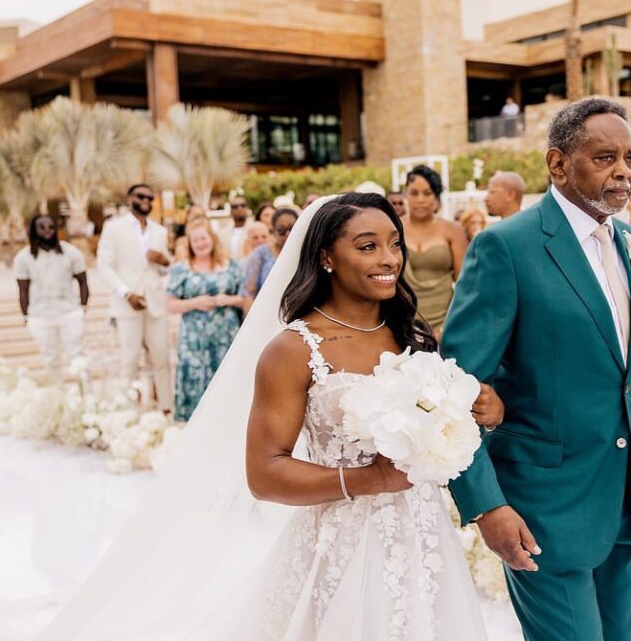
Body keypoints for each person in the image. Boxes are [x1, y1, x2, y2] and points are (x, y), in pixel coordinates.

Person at [39, 195, 501, 639]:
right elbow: (264, 473)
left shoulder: (411, 334)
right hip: (342, 542)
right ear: (326, 257)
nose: (389, 258)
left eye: (394, 243)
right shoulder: (295, 349)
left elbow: (441, 430)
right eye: (368, 246)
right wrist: (368, 480)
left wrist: (484, 412)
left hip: (425, 536)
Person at [442, 97, 631, 641]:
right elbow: (454, 389)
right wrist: (486, 505)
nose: (624, 172)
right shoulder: (506, 247)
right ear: (557, 164)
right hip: (541, 506)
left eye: (629, 157)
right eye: (605, 157)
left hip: (624, 503)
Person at [97, 184, 173, 412]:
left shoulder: (159, 231)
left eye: (151, 197)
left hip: (155, 303)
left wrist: (164, 260)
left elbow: (165, 270)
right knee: (129, 359)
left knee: (162, 357)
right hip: (127, 302)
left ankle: (166, 408)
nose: (146, 201)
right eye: (141, 196)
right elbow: (104, 265)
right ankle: (126, 411)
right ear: (130, 198)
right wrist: (126, 293)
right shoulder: (113, 228)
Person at [167, 218, 244, 422]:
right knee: (196, 376)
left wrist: (227, 299)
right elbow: (170, 304)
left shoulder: (231, 267)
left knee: (226, 376)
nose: (201, 243)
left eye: (204, 238)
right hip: (194, 337)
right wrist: (195, 303)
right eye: (196, 240)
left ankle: (227, 423)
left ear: (212, 239)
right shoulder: (181, 269)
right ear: (190, 244)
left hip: (225, 334)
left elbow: (247, 299)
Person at [13, 215, 89, 377]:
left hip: (69, 312)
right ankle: (56, 398)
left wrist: (82, 308)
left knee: (77, 357)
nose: (47, 230)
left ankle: (85, 396)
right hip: (40, 316)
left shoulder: (71, 252)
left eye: (51, 226)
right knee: (50, 360)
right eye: (42, 227)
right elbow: (23, 289)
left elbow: (83, 281)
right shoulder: (23, 257)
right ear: (34, 230)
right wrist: (26, 315)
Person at [401, 164, 468, 336]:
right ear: (405, 195)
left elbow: (465, 284)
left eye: (427, 193)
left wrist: (447, 328)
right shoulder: (393, 228)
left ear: (436, 197)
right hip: (402, 319)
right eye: (414, 193)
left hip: (445, 321)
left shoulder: (453, 230)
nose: (420, 199)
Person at [242, 208, 299, 305]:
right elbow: (248, 295)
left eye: (292, 229)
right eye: (281, 230)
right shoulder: (261, 253)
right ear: (273, 231)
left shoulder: (306, 253)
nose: (287, 234)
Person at [224, 194, 250, 261]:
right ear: (230, 211)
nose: (239, 209)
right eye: (235, 207)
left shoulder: (256, 230)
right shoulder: (222, 233)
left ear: (247, 209)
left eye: (243, 205)